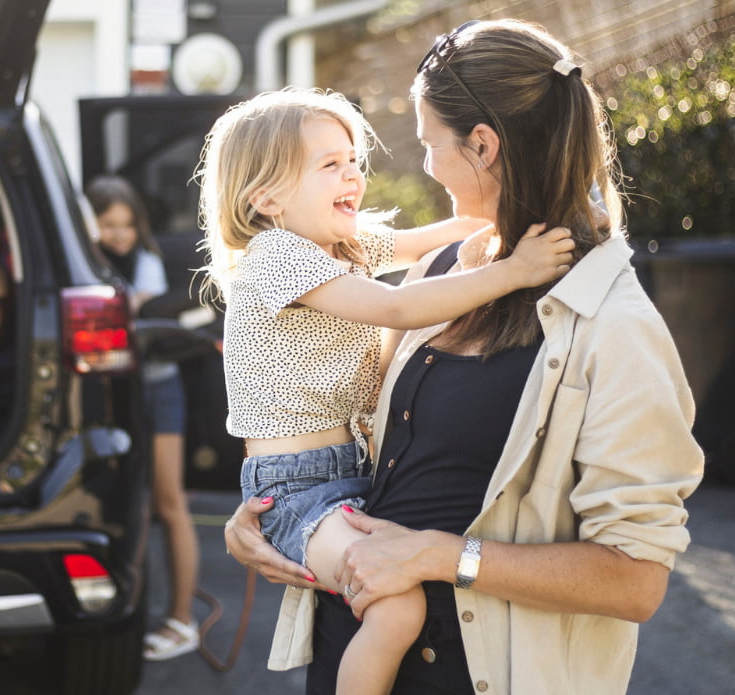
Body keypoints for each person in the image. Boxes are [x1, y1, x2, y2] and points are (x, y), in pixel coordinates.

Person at [225, 19, 704, 694]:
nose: (420, 166)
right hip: (350, 649)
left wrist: (443, 556)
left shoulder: (613, 323)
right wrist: (266, 515)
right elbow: (351, 418)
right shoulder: (446, 271)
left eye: (429, 144)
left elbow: (636, 580)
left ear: (482, 144)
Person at [197, 87, 576, 695]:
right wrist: (515, 271)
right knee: (398, 609)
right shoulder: (275, 256)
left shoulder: (337, 245)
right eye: (328, 164)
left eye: (352, 159)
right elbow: (396, 306)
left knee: (395, 601)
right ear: (265, 197)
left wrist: (507, 217)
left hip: (350, 474)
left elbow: (437, 236)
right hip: (296, 490)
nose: (352, 173)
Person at [85, 175, 203, 661]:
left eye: (126, 225)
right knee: (119, 507)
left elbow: (137, 311)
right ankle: (115, 614)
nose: (118, 235)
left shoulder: (147, 263)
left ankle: (182, 620)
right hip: (105, 399)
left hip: (156, 391)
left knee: (168, 502)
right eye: (107, 224)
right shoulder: (84, 262)